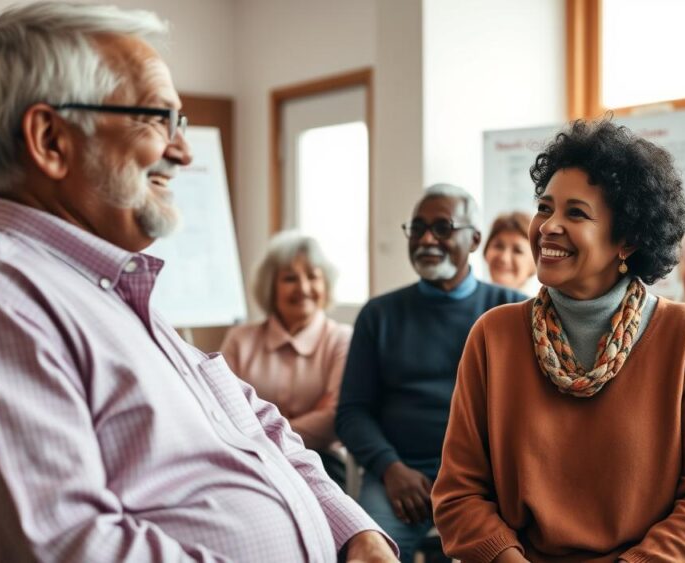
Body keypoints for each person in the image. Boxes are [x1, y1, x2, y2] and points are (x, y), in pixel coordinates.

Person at [0, 4, 396, 561]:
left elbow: (255, 424)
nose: (183, 151)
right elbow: (70, 547)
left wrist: (353, 531)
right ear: (50, 139)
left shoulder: (107, 286)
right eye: (157, 118)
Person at [431, 119, 685, 562]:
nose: (548, 227)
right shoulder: (493, 335)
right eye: (545, 208)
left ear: (628, 240)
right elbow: (459, 494)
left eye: (575, 213)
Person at [336, 184, 526, 562]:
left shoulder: (513, 312)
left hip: (488, 480)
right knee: (367, 552)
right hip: (400, 474)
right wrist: (390, 468)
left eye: (442, 228)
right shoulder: (379, 315)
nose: (426, 239)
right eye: (417, 228)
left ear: (474, 239)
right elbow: (351, 412)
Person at [221, 230, 351, 487]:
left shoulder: (341, 339)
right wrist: (313, 413)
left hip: (319, 459)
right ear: (271, 287)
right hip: (248, 457)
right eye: (290, 279)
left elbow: (334, 418)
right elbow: (222, 409)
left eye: (313, 277)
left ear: (326, 285)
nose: (303, 289)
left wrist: (257, 431)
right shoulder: (240, 339)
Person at [484, 211, 538, 294]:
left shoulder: (541, 306)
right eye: (498, 246)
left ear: (535, 262)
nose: (504, 258)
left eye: (517, 251)